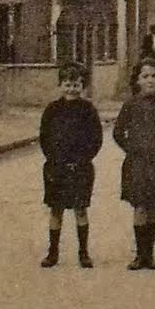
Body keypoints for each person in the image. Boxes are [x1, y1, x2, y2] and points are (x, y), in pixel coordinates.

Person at [113, 58, 155, 270]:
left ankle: (149, 255)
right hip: (137, 162)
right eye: (145, 76)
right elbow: (118, 132)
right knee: (140, 206)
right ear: (137, 80)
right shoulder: (130, 105)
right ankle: (139, 255)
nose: (150, 80)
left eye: (154, 76)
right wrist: (131, 149)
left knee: (153, 206)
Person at [38, 62, 103, 268]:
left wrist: (83, 159)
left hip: (81, 168)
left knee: (80, 210)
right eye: (67, 84)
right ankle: (53, 253)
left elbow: (96, 139)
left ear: (82, 86)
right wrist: (54, 159)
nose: (71, 89)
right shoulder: (52, 110)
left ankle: (83, 253)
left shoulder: (88, 110)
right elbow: (44, 137)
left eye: (76, 85)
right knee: (55, 210)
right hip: (56, 168)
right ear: (60, 85)